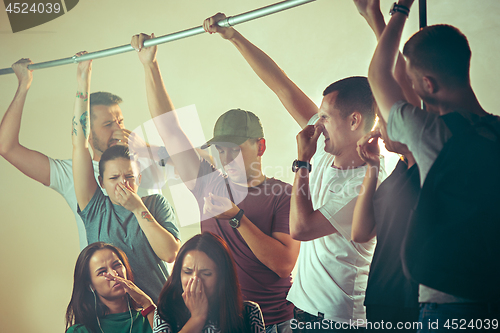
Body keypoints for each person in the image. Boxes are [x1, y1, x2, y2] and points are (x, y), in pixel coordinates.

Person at [204, 13, 385, 330]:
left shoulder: (365, 181)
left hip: (337, 319)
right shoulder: (332, 149)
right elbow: (282, 86)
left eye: (326, 117)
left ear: (355, 121)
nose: (318, 124)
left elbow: (301, 229)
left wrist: (302, 162)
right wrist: (233, 37)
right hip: (303, 310)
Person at [131, 33, 299, 332]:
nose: (225, 157)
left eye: (235, 149)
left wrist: (236, 217)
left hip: (274, 323)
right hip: (218, 322)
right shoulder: (208, 182)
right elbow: (170, 130)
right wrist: (150, 65)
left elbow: (283, 264)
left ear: (260, 146)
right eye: (220, 150)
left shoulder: (283, 195)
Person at [368, 0, 500, 330]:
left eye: (413, 84)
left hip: (448, 304)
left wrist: (400, 9)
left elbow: (378, 73)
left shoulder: (432, 132)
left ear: (427, 85)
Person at [0, 58, 169, 250]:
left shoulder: (147, 158)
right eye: (108, 124)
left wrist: (147, 149)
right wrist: (23, 85)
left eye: (120, 121)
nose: (118, 129)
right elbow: (7, 147)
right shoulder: (70, 172)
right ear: (88, 133)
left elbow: (200, 164)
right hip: (105, 277)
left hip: (159, 277)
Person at [71, 52, 180, 301]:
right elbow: (79, 144)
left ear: (139, 178)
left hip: (161, 311)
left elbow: (170, 253)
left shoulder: (155, 204)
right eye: (114, 178)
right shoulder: (96, 209)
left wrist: (137, 207)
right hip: (112, 316)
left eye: (129, 176)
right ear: (101, 183)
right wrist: (83, 79)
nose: (123, 183)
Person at [350, 1, 420, 331]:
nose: (378, 127)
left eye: (384, 119)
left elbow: (402, 89)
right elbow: (361, 232)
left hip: (415, 306)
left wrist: (383, 17)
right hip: (382, 302)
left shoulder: (428, 161)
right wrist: (372, 169)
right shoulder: (398, 172)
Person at [154, 232, 265, 333]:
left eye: (206, 274)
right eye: (187, 272)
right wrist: (197, 318)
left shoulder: (250, 312)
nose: (195, 280)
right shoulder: (165, 310)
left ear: (222, 277)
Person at [65, 242, 156, 333]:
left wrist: (147, 303)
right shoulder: (80, 331)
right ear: (90, 285)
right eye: (102, 272)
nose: (114, 274)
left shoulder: (149, 318)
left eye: (117, 265)